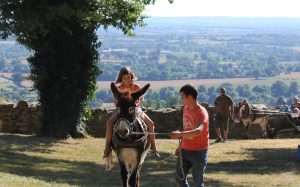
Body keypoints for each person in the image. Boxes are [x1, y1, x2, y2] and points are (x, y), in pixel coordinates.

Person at [103, 66, 157, 158]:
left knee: (150, 124)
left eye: (128, 77)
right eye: (124, 78)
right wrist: (119, 104)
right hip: (122, 111)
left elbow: (141, 99)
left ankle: (153, 146)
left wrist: (137, 105)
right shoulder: (119, 88)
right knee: (109, 123)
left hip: (136, 110)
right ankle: (107, 147)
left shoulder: (136, 87)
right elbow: (116, 102)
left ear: (131, 77)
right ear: (121, 78)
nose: (127, 80)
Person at [170, 84, 209, 187]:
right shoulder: (186, 109)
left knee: (197, 183)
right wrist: (180, 145)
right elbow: (187, 128)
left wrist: (179, 134)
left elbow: (198, 131)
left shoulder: (201, 112)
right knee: (179, 179)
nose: (181, 99)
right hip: (184, 150)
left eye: (183, 96)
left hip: (199, 152)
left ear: (190, 97)